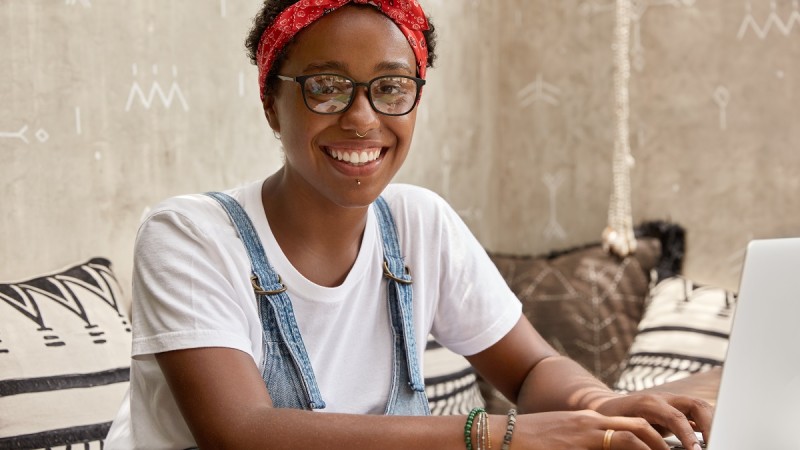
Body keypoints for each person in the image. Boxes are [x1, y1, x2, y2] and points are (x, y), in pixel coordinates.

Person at [105, 1, 712, 448]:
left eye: (391, 88)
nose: (362, 118)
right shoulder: (189, 235)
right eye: (326, 87)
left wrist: (604, 409)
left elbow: (530, 369)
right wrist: (498, 437)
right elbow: (242, 433)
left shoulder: (420, 223)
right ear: (272, 102)